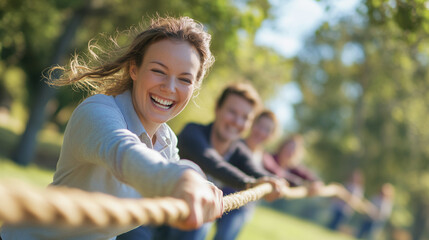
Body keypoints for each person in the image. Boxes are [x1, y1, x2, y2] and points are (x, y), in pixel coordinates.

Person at [1, 16, 223, 240]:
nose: (169, 87)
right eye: (158, 71)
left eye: (185, 79)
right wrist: (182, 177)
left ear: (195, 87)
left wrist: (198, 180)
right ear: (134, 69)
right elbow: (126, 153)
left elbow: (172, 169)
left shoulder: (166, 140)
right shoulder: (97, 112)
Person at [157, 82, 286, 240]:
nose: (237, 122)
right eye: (232, 112)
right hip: (154, 215)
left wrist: (275, 181)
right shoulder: (192, 133)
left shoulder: (239, 151)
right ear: (218, 108)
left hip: (190, 224)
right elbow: (213, 162)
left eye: (245, 118)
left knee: (202, 222)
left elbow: (256, 171)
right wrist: (250, 184)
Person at [212, 109, 280, 240]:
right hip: (220, 197)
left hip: (243, 207)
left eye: (267, 129)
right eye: (259, 126)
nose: (261, 132)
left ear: (271, 135)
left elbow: (281, 173)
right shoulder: (235, 145)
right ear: (252, 124)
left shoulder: (264, 157)